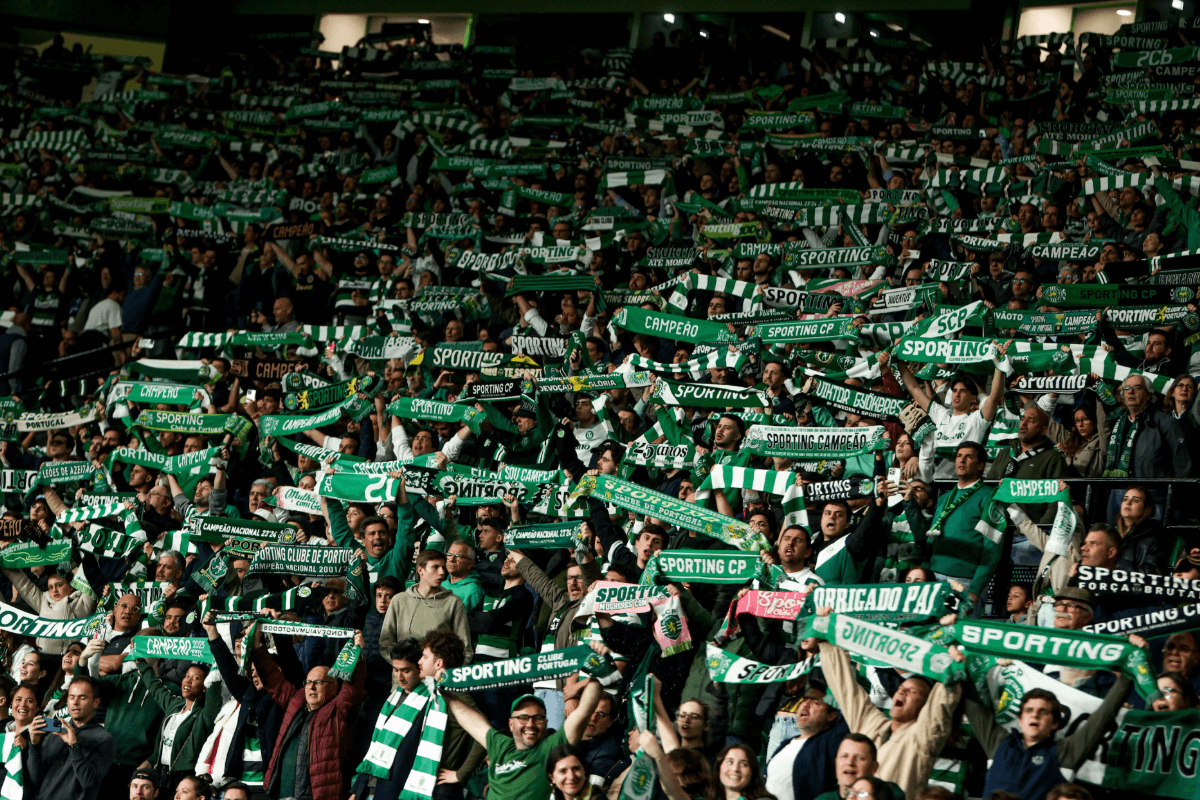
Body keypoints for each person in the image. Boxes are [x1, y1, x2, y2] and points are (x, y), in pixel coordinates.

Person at [805, 609, 962, 798]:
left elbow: (940, 705)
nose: (902, 691)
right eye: (901, 688)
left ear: (924, 707)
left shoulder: (921, 739)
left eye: (913, 692)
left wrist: (952, 656)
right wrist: (826, 632)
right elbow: (845, 688)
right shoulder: (873, 724)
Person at [964, 663, 1135, 800]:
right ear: (1021, 718)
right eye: (1029, 710)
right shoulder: (998, 741)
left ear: (1055, 724)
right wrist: (960, 661)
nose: (1035, 715)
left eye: (1043, 711)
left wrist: (1126, 674)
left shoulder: (1065, 752)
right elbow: (972, 705)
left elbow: (1104, 717)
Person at [444, 678, 606, 800]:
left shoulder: (551, 748)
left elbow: (585, 709)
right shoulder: (499, 743)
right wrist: (444, 689)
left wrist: (596, 671)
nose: (530, 724)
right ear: (511, 724)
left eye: (537, 718)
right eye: (523, 717)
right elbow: (464, 714)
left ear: (545, 723)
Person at [253, 628, 367, 800]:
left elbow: (352, 691)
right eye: (308, 682)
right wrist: (257, 646)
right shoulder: (297, 700)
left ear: (334, 687)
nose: (311, 687)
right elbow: (272, 679)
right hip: (280, 793)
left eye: (318, 682)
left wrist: (357, 656)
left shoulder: (339, 710)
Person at [24, 675, 115, 800]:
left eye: (82, 698)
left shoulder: (104, 739)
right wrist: (34, 745)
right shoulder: (56, 732)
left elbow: (89, 782)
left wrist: (74, 745)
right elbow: (35, 779)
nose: (75, 702)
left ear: (96, 702)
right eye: (71, 697)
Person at [378, 550, 473, 664]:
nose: (442, 572)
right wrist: (402, 665)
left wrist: (447, 675)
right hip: (404, 677)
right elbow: (385, 643)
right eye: (435, 567)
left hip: (437, 678)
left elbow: (465, 649)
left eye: (443, 567)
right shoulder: (399, 600)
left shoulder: (453, 602)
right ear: (420, 570)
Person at [765, 678, 849, 800]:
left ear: (831, 716)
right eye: (804, 699)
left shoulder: (828, 742)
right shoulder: (785, 744)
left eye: (815, 702)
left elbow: (852, 708)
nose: (805, 704)